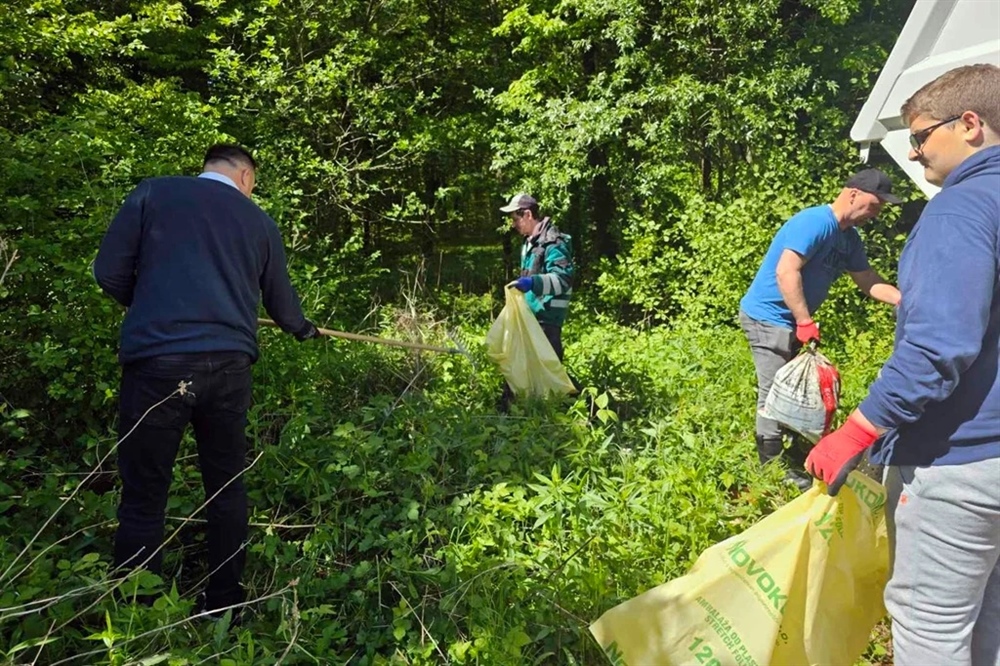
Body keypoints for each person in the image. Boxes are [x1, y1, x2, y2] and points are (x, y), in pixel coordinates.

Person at [807, 64, 1000, 665]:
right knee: (990, 621)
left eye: (920, 137)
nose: (914, 154)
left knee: (933, 628)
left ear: (970, 124)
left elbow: (937, 348)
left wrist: (860, 429)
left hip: (960, 460)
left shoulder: (959, 210)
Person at [93, 144, 319, 618]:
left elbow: (109, 271)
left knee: (144, 493)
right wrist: (302, 328)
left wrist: (157, 305)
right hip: (229, 368)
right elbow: (282, 304)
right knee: (226, 485)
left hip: (157, 364)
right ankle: (225, 606)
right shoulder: (258, 221)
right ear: (243, 176)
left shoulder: (153, 194)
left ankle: (139, 608)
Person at [739, 169, 902, 490]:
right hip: (769, 316)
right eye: (874, 204)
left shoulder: (849, 239)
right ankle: (771, 467)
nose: (876, 213)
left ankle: (786, 447)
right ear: (853, 194)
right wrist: (803, 320)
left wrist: (903, 300)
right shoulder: (815, 222)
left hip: (792, 322)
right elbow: (787, 271)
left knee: (790, 388)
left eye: (880, 207)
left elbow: (867, 279)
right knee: (772, 391)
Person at [499, 193, 575, 407]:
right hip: (531, 315)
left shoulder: (553, 242)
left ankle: (586, 408)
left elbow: (563, 279)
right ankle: (509, 406)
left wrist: (533, 283)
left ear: (528, 214)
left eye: (515, 218)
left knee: (551, 370)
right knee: (520, 362)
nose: (513, 224)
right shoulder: (530, 242)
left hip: (548, 317)